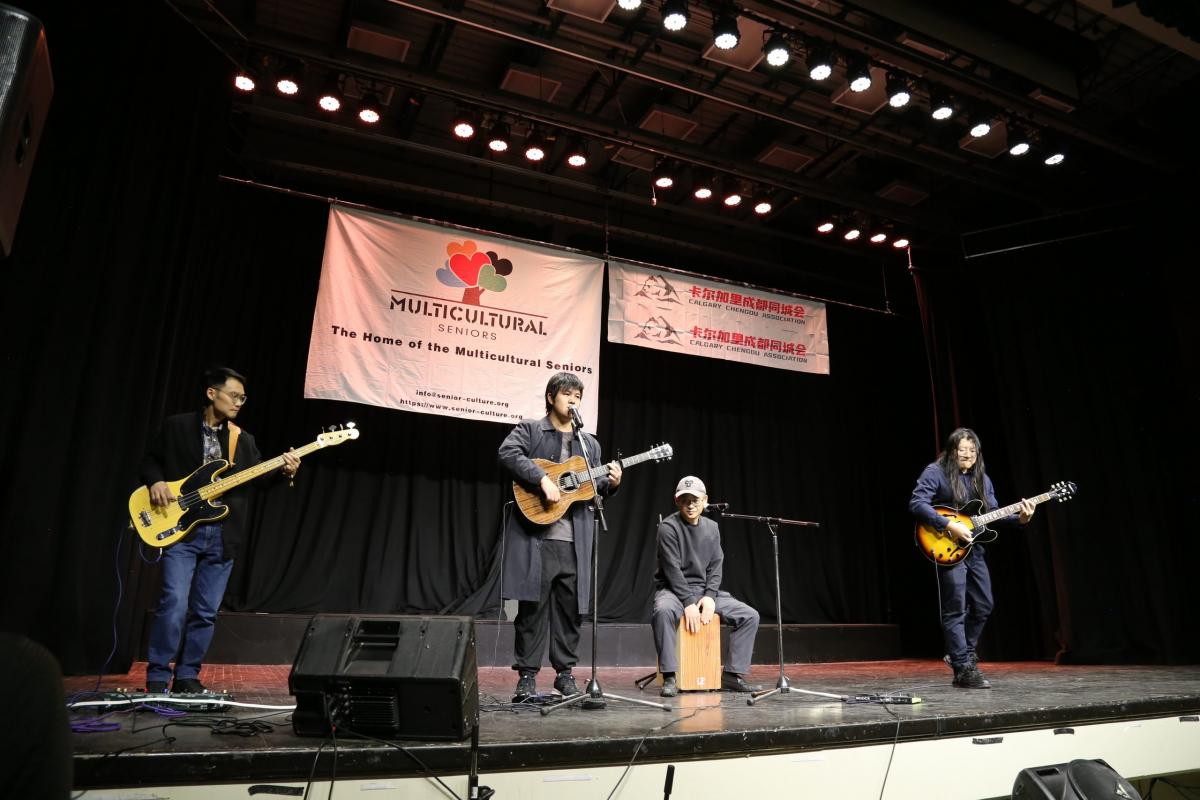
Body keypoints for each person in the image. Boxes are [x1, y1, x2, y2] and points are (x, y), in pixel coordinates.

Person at [140, 366, 299, 694]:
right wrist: (156, 481)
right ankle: (157, 677)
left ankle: (187, 677)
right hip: (182, 531)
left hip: (223, 536)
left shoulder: (243, 440)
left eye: (243, 398)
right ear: (212, 393)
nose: (239, 402)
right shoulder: (177, 426)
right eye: (234, 396)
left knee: (205, 612)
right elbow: (150, 460)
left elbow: (259, 481)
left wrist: (285, 471)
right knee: (174, 604)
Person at [497, 372, 622, 701]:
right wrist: (541, 479)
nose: (573, 400)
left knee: (570, 612)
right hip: (536, 538)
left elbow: (593, 488)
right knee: (532, 610)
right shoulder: (531, 430)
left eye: (577, 396)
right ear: (551, 398)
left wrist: (612, 483)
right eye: (567, 394)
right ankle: (526, 676)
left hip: (575, 542)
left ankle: (564, 674)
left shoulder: (589, 444)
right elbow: (508, 453)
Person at [909, 427, 1034, 689]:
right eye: (962, 449)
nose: (968, 454)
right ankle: (962, 667)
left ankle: (961, 652)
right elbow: (918, 503)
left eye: (972, 450)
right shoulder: (935, 472)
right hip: (947, 546)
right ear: (951, 451)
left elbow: (994, 512)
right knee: (955, 608)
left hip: (974, 549)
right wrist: (948, 525)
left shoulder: (982, 479)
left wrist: (1021, 518)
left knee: (984, 604)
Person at [651, 476, 760, 697]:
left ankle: (731, 676)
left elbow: (716, 565)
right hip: (674, 590)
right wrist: (688, 603)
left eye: (695, 500)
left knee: (749, 616)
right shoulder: (668, 528)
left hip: (704, 591)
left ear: (705, 500)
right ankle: (670, 676)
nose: (690, 505)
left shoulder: (712, 528)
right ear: (677, 501)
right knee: (662, 611)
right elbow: (672, 570)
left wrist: (709, 596)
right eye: (685, 500)